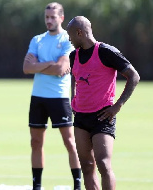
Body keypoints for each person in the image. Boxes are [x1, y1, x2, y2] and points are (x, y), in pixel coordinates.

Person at [67, 16, 140, 190]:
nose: (69, 39)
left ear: (79, 32)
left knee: (103, 164)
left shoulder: (106, 52)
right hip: (81, 118)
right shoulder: (73, 55)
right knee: (86, 166)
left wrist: (118, 105)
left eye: (70, 35)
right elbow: (74, 78)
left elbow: (134, 76)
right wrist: (73, 98)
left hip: (103, 116)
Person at [23, 2, 82, 190]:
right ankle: (37, 185)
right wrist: (50, 63)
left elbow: (62, 69)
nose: (49, 20)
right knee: (36, 142)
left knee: (70, 142)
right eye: (46, 17)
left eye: (53, 17)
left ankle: (78, 184)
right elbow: (26, 68)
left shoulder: (67, 39)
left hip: (60, 98)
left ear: (61, 18)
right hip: (38, 97)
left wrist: (39, 65)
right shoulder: (37, 40)